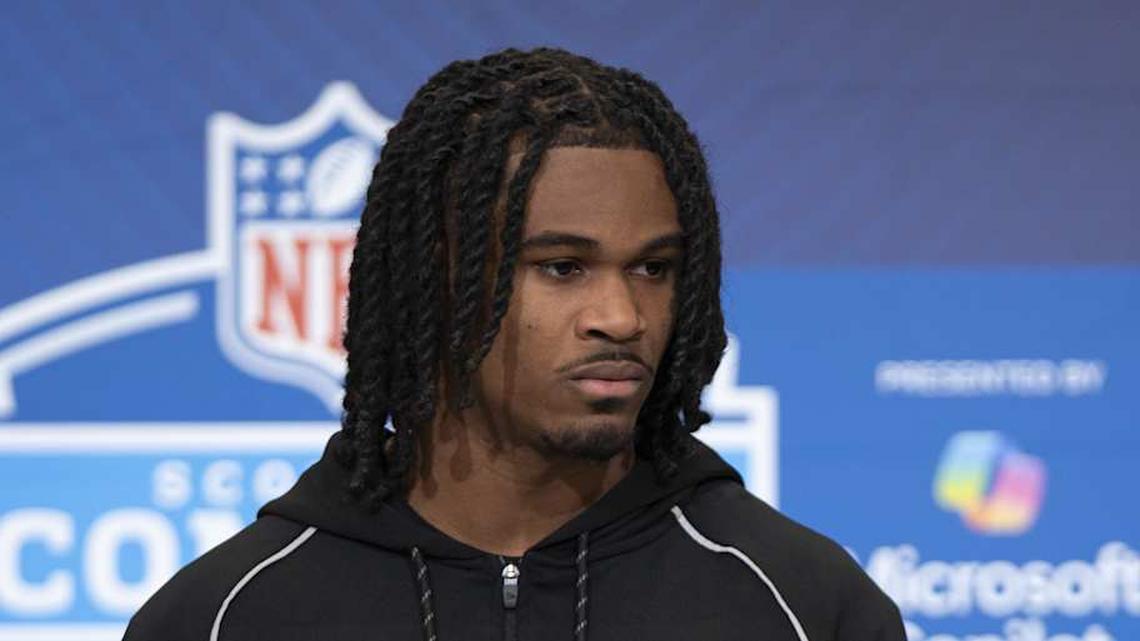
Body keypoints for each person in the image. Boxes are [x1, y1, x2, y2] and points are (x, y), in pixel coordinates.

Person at [124, 47, 904, 641]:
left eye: (654, 268)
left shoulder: (802, 603)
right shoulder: (231, 614)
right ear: (440, 281)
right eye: (562, 266)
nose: (623, 316)